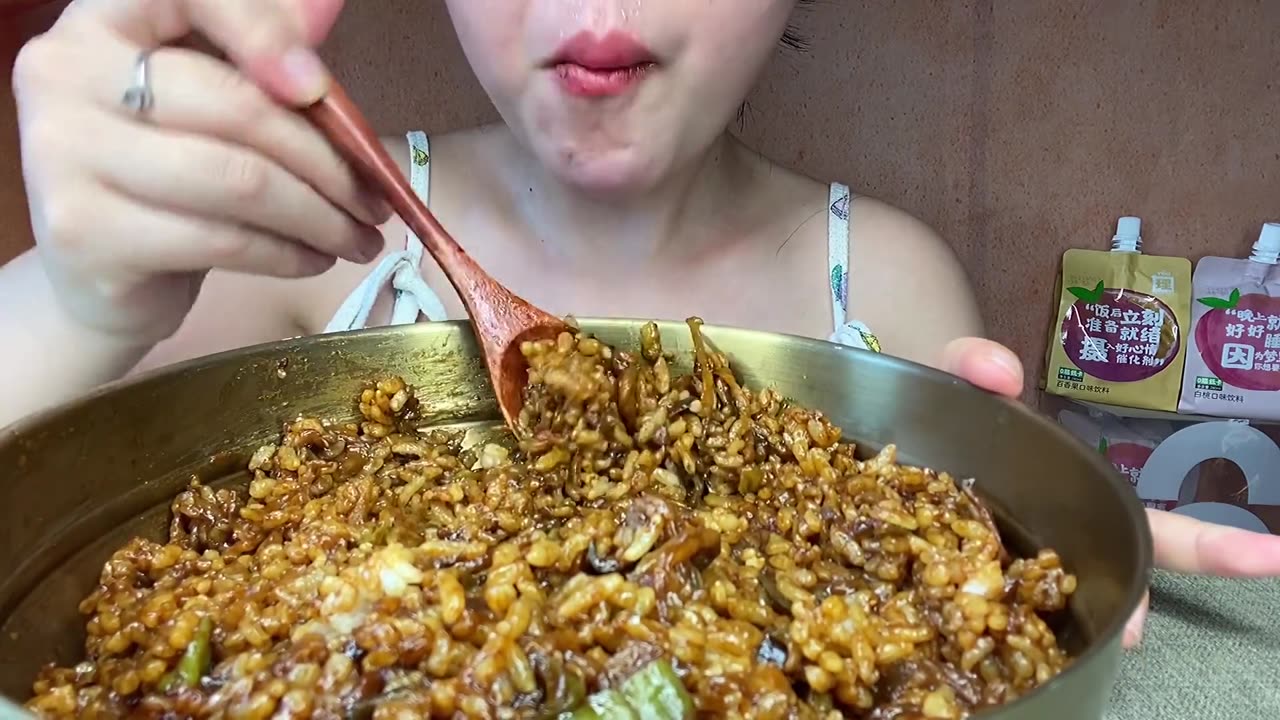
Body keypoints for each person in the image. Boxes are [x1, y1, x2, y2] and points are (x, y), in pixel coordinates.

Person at [2, 0, 1277, 650]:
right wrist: (75, 302)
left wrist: (1020, 557)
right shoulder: (308, 233)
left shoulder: (885, 281)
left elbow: (979, 554)